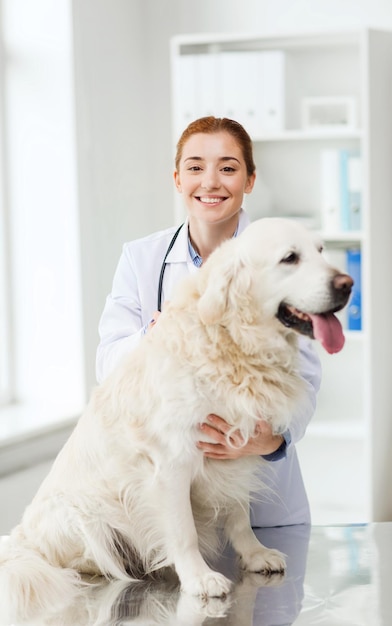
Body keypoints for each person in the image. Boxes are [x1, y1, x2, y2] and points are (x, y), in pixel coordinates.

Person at [96, 116, 321, 527]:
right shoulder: (141, 259)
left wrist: (271, 439)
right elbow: (108, 362)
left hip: (260, 501)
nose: (211, 182)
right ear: (178, 179)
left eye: (228, 168)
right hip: (173, 495)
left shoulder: (285, 257)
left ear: (250, 180)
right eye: (196, 167)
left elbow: (305, 376)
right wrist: (159, 337)